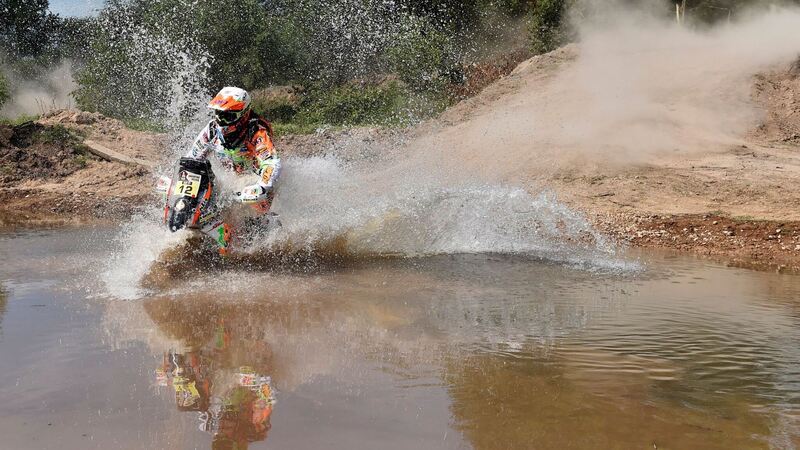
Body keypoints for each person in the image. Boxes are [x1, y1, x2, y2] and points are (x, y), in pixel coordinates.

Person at [187, 86, 281, 214]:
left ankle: (264, 224)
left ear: (244, 114)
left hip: (253, 182)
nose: (221, 121)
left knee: (253, 211)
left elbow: (271, 163)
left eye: (228, 116)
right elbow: (192, 159)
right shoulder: (212, 129)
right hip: (230, 180)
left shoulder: (256, 132)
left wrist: (262, 186)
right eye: (219, 114)